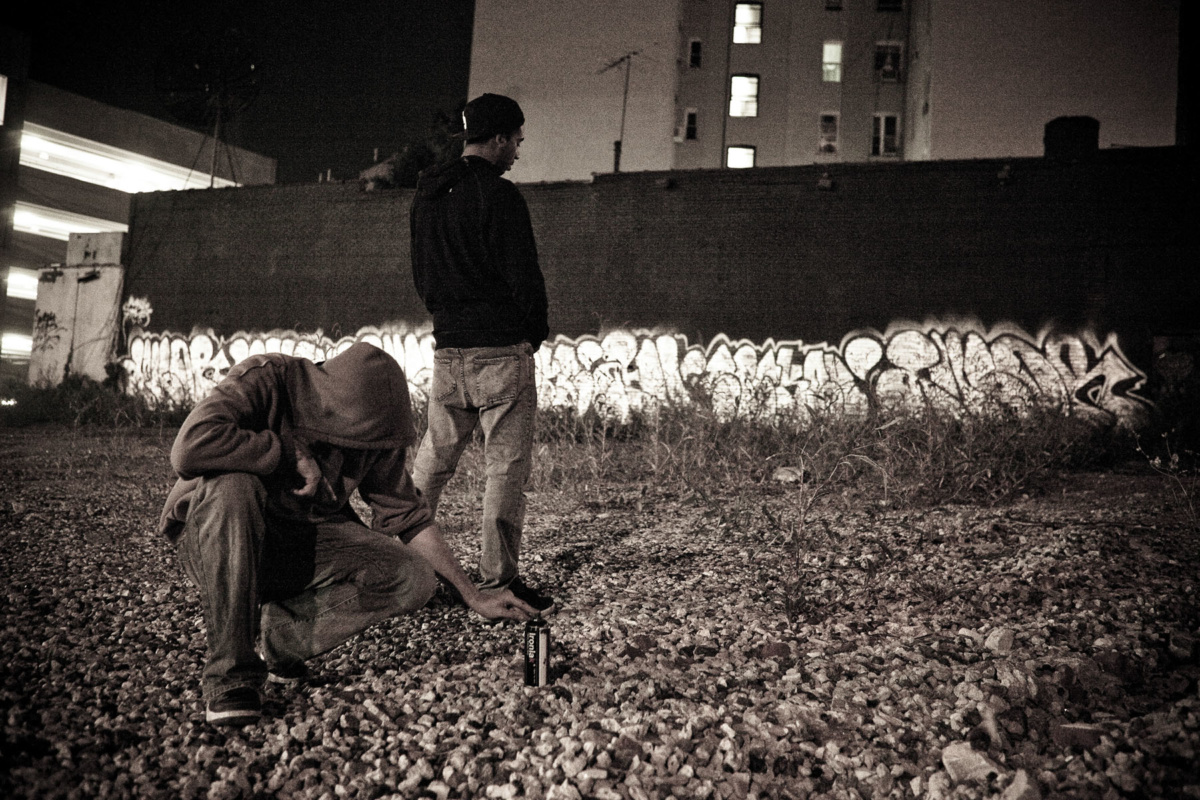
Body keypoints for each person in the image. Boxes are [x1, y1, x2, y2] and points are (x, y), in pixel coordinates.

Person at [159, 342, 535, 727]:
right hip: (218, 541)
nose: (348, 451)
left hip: (295, 545)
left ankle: (282, 637)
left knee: (413, 576)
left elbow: (409, 517)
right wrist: (287, 452)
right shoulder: (265, 378)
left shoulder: (374, 431)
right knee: (235, 487)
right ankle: (230, 677)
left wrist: (473, 594)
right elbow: (188, 448)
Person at [409, 93, 553, 614]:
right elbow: (524, 277)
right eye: (515, 141)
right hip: (500, 350)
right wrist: (532, 334)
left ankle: (399, 566)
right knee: (505, 471)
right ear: (496, 139)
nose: (517, 151)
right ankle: (498, 582)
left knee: (432, 464)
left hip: (448, 349)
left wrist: (448, 322)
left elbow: (422, 275)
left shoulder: (428, 196)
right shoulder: (501, 196)